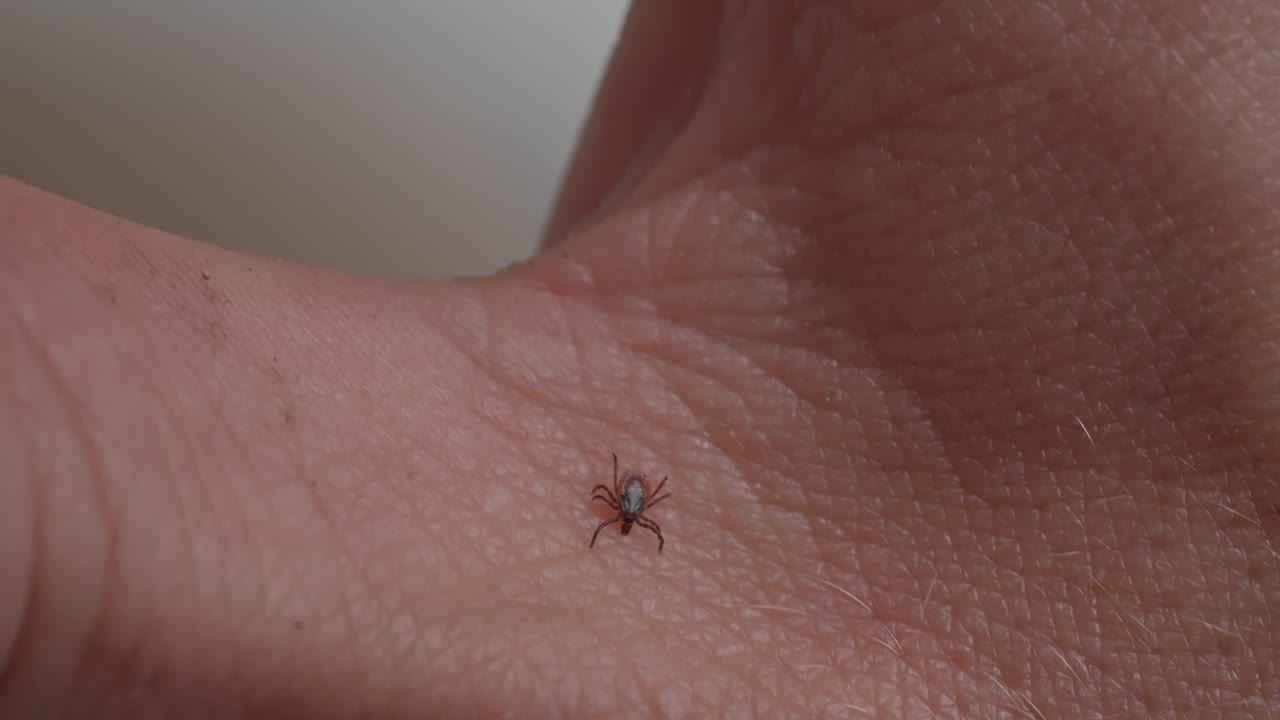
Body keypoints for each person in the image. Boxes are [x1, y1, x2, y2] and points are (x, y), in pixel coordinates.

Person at [2, 1, 1275, 716]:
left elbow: (628, 494)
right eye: (627, 507)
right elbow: (631, 493)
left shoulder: (624, 505)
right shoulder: (629, 504)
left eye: (627, 507)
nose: (624, 511)